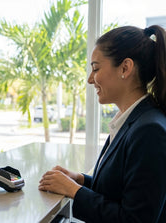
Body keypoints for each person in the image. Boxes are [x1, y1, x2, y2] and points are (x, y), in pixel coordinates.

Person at [39, 25, 166, 222]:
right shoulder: (132, 121)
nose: (90, 80)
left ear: (125, 68)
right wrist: (80, 180)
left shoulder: (149, 131)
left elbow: (134, 219)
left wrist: (74, 190)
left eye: (96, 68)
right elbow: (119, 189)